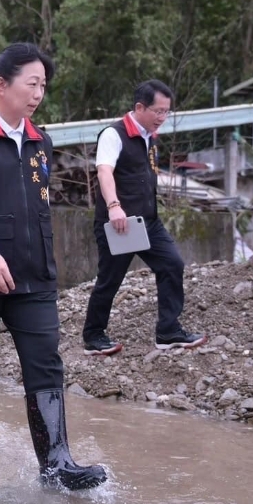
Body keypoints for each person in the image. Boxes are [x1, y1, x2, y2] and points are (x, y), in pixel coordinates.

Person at [0, 42, 106, 491]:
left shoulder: (39, 140)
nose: (38, 93)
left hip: (32, 275)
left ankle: (57, 464)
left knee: (45, 363)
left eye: (43, 86)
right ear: (1, 84)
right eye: (31, 83)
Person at [80, 79, 206, 355]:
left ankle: (168, 331)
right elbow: (104, 171)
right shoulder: (113, 135)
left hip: (148, 222)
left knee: (172, 264)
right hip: (119, 224)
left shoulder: (150, 138)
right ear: (140, 107)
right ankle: (93, 335)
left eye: (166, 112)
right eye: (158, 111)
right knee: (110, 279)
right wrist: (114, 205)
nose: (162, 118)